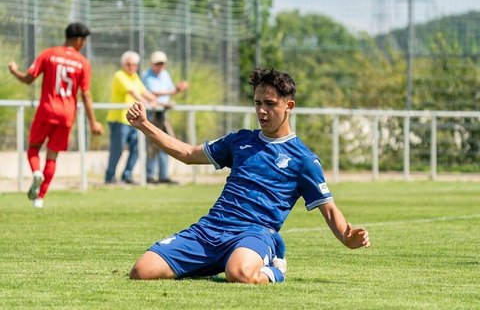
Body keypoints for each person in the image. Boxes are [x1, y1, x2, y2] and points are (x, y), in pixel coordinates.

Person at [126, 67, 370, 284]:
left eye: (270, 104)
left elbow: (328, 209)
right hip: (211, 228)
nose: (262, 111)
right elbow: (188, 153)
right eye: (257, 103)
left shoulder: (304, 160)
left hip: (255, 232)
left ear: (289, 106)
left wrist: (346, 237)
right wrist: (144, 125)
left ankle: (276, 268)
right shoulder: (240, 140)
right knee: (142, 271)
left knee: (239, 274)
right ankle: (210, 262)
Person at [8, 22, 104, 208]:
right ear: (77, 40)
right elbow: (86, 94)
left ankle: (36, 172)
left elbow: (28, 79)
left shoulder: (49, 54)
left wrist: (14, 71)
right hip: (67, 115)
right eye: (84, 41)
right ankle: (40, 198)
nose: (83, 44)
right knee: (52, 156)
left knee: (33, 148)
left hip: (46, 110)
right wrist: (93, 122)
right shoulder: (83, 63)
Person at [104, 50, 157, 184]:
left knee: (136, 149)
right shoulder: (119, 75)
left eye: (134, 65)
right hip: (119, 120)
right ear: (124, 64)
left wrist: (157, 102)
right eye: (129, 64)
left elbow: (144, 92)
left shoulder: (135, 77)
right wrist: (145, 103)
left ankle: (127, 176)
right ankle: (110, 177)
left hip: (133, 121)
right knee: (118, 150)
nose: (132, 67)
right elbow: (133, 92)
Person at [142, 51, 188, 184]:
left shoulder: (165, 75)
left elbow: (168, 92)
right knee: (152, 144)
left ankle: (163, 175)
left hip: (163, 114)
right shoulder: (147, 75)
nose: (160, 66)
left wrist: (175, 90)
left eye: (162, 63)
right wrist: (175, 90)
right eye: (157, 63)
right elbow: (154, 93)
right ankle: (150, 176)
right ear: (152, 64)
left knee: (166, 143)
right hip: (152, 114)